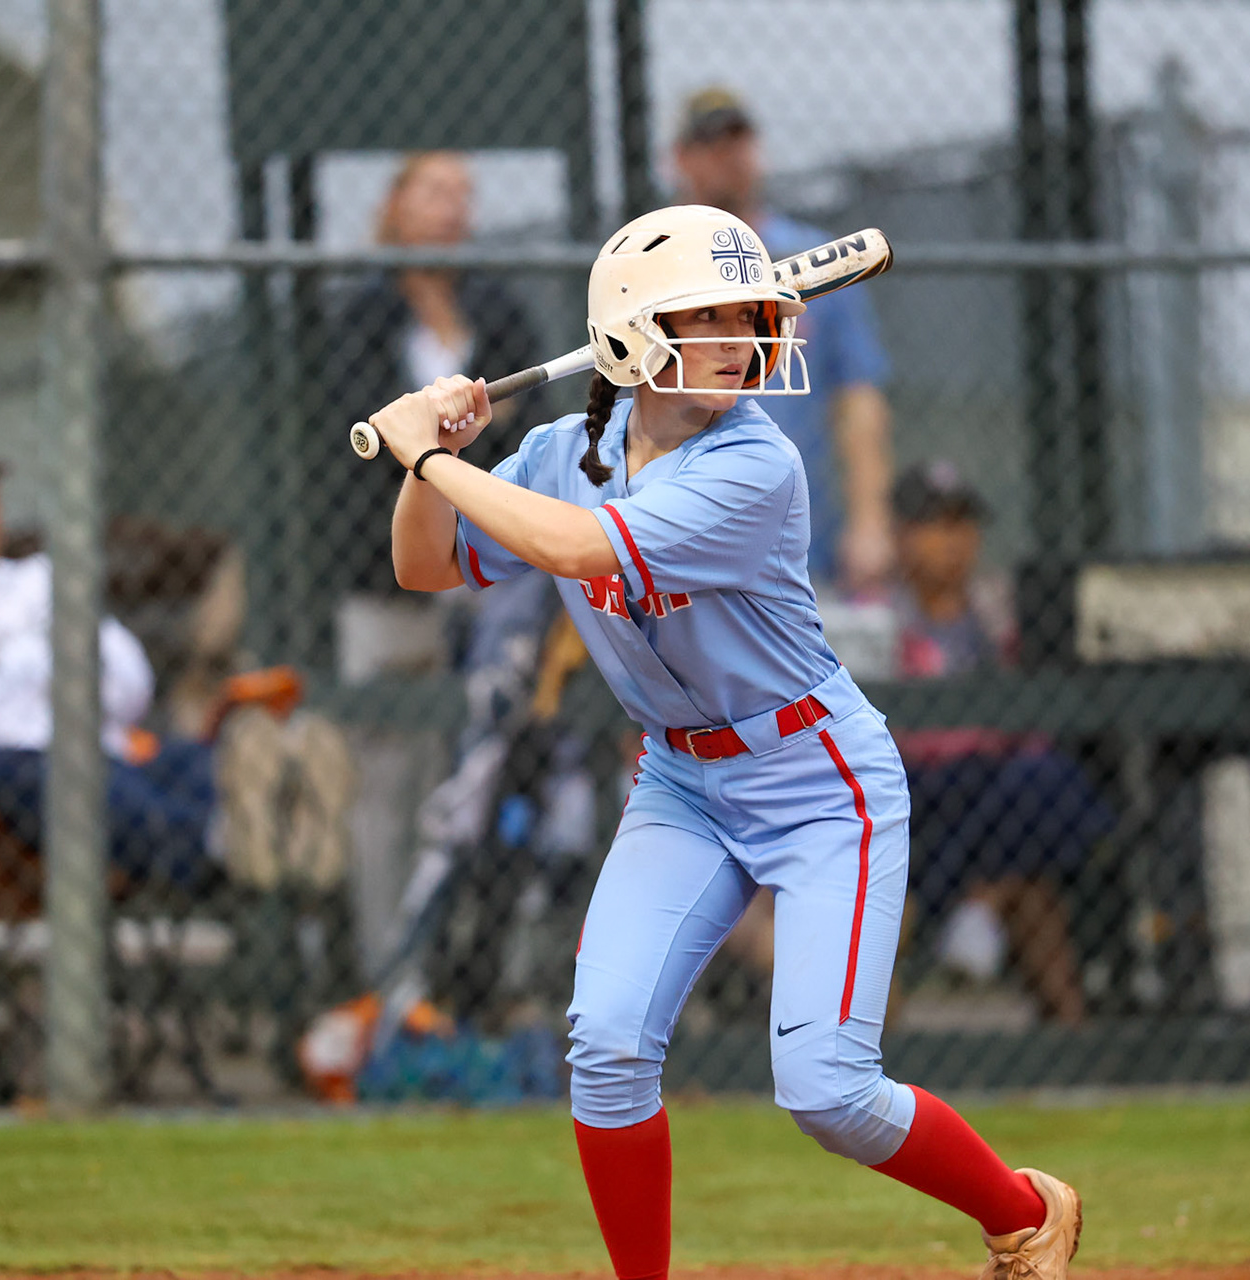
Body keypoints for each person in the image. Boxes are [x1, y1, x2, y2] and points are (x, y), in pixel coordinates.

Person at [372, 205, 1079, 1280]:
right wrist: (429, 465)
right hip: (682, 780)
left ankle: (1025, 1210)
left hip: (817, 777)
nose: (744, 339)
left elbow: (573, 544)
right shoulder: (567, 449)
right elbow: (428, 567)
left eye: (746, 316)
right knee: (605, 1046)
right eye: (707, 320)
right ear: (632, 339)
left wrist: (435, 455)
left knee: (828, 1088)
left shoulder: (758, 466)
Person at [0, 422, 354, 897]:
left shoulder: (32, 580)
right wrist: (57, 675)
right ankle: (224, 842)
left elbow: (129, 681)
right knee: (68, 772)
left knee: (179, 762)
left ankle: (273, 818)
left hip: (82, 761)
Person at [890, 460, 1114, 1026]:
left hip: (999, 784)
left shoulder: (1001, 609)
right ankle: (982, 905)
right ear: (901, 534)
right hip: (917, 792)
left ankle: (979, 905)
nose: (956, 542)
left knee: (1043, 779)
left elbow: (1035, 720)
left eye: (965, 525)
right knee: (1033, 835)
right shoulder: (871, 614)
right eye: (937, 525)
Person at [672, 87, 895, 596]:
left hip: (802, 527)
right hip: (687, 525)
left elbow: (859, 397)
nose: (727, 157)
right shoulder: (657, 268)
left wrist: (870, 520)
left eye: (737, 140)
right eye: (710, 143)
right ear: (681, 158)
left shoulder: (816, 260)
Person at [326, 152, 541, 598]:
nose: (453, 210)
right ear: (397, 205)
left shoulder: (495, 305)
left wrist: (432, 426)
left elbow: (526, 413)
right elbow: (366, 417)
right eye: (437, 194)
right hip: (380, 539)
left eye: (463, 197)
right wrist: (468, 419)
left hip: (487, 527)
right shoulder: (363, 311)